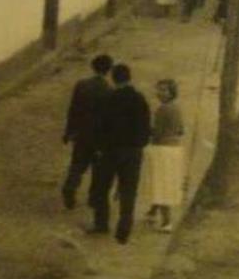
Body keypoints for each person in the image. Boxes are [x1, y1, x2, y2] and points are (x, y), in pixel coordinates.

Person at [87, 64, 152, 244]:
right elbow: (146, 128)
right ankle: (124, 228)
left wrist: (99, 148)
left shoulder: (108, 99)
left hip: (110, 152)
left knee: (102, 188)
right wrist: (139, 144)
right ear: (129, 78)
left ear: (113, 79)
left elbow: (99, 127)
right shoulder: (140, 100)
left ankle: (101, 224)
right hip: (133, 153)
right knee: (128, 191)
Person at [62, 55, 114, 209]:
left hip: (82, 134)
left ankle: (70, 187)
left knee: (77, 165)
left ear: (93, 67)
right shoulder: (109, 90)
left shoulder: (81, 85)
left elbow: (73, 110)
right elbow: (109, 118)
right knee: (98, 169)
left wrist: (69, 131)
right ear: (108, 70)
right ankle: (93, 197)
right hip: (99, 137)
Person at [144, 79, 186, 233]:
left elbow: (157, 133)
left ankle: (167, 222)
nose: (160, 93)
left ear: (171, 93)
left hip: (163, 149)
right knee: (164, 182)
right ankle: (152, 212)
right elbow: (181, 130)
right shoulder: (176, 108)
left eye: (164, 90)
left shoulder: (162, 109)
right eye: (159, 89)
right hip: (175, 148)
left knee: (161, 185)